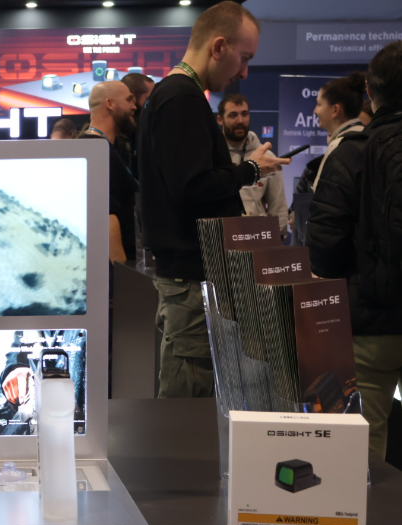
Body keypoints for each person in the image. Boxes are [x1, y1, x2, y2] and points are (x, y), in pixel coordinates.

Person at [137, 1, 289, 398]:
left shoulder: (177, 96)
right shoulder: (181, 98)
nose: (244, 72)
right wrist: (250, 170)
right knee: (187, 408)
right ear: (218, 47)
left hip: (192, 281)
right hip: (191, 282)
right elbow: (194, 187)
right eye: (244, 58)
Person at [307, 41, 402, 459]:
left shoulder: (350, 155)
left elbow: (323, 254)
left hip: (369, 325)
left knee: (365, 448)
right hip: (371, 319)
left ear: (370, 90)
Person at [81, 81, 138, 263]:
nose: (134, 106)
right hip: (116, 268)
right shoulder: (98, 151)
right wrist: (121, 271)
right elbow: (106, 215)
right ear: (110, 104)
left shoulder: (104, 148)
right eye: (129, 100)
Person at [217, 93, 288, 234]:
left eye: (244, 114)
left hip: (256, 236)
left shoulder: (266, 157)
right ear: (220, 120)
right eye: (233, 115)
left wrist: (278, 238)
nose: (240, 120)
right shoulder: (213, 155)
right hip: (221, 235)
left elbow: (278, 206)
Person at [312, 71, 368, 191]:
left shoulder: (337, 146)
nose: (315, 111)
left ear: (335, 110)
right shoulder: (369, 138)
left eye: (319, 104)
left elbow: (323, 195)